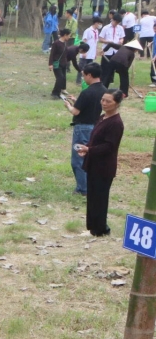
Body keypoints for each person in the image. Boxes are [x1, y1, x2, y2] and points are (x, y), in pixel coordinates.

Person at [78, 88, 124, 237]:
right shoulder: (102, 117)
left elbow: (109, 146)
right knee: (92, 196)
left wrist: (89, 150)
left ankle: (100, 230)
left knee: (99, 198)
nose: (104, 103)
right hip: (94, 163)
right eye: (103, 100)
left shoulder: (116, 123)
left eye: (108, 101)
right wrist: (87, 149)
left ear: (116, 104)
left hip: (104, 166)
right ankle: (92, 227)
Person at [63, 61, 104, 196]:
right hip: (96, 126)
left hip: (83, 128)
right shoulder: (104, 91)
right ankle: (92, 186)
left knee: (78, 159)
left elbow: (75, 112)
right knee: (91, 158)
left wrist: (68, 106)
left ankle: (83, 189)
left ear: (90, 75)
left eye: (84, 75)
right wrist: (77, 100)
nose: (83, 77)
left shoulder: (87, 92)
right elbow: (90, 106)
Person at [49, 28, 72, 99]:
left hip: (64, 64)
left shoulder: (65, 43)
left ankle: (58, 93)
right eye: (68, 36)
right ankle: (55, 93)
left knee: (63, 78)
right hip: (57, 64)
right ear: (65, 35)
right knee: (60, 78)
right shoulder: (56, 43)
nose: (69, 37)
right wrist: (50, 64)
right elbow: (52, 54)